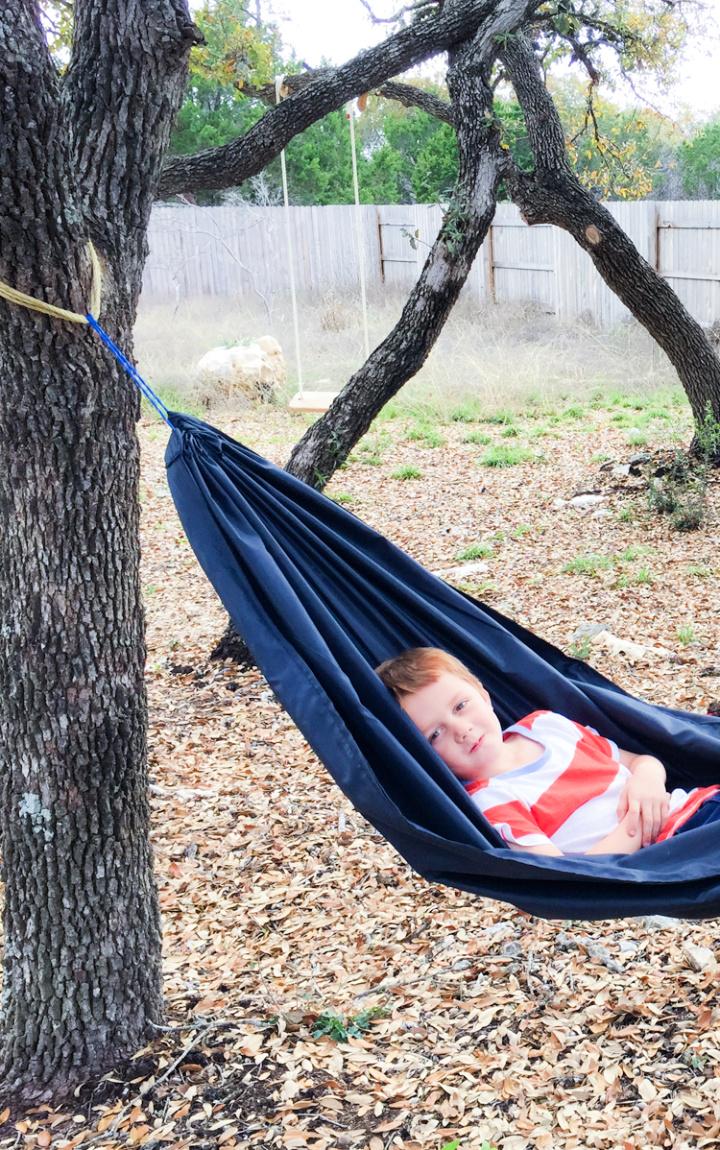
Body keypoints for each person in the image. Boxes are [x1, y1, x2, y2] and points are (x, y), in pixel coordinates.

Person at [376, 647, 720, 857]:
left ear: (483, 694)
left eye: (461, 705)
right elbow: (569, 876)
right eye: (435, 734)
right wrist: (637, 825)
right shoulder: (491, 800)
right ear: (422, 754)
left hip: (697, 808)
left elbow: (640, 762)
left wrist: (647, 781)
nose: (461, 729)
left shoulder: (545, 726)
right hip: (672, 852)